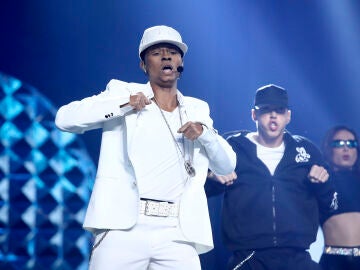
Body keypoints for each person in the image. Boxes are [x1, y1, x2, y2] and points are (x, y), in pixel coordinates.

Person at [55, 25, 236, 270]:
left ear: (181, 62)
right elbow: (64, 119)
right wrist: (122, 105)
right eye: (156, 52)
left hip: (178, 232)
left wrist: (205, 135)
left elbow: (226, 165)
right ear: (143, 65)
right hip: (123, 227)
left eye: (173, 52)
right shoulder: (122, 92)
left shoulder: (197, 109)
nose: (166, 56)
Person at [206, 84, 338, 270]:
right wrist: (213, 178)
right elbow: (198, 191)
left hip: (297, 257)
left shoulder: (306, 151)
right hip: (249, 257)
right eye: (266, 110)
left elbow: (332, 206)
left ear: (288, 116)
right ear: (254, 115)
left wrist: (323, 185)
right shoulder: (233, 148)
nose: (274, 115)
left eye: (280, 110)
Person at [319, 125, 360, 270]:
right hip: (335, 261)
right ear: (328, 148)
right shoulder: (320, 182)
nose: (346, 148)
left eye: (351, 143)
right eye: (339, 143)